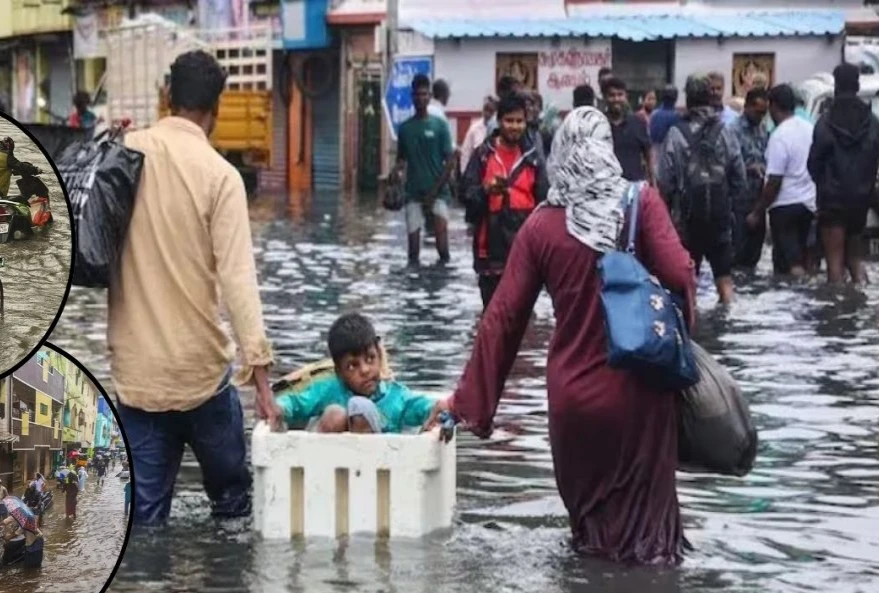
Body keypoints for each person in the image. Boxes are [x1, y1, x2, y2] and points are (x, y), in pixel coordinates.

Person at [426, 107, 697, 565]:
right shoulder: (641, 202)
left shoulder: (540, 226)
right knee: (650, 546)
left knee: (589, 538)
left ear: (561, 155)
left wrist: (469, 404)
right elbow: (680, 274)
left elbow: (503, 319)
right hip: (640, 397)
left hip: (574, 404)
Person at [111, 50, 277, 526]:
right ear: (217, 109)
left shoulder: (123, 156)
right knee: (234, 508)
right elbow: (239, 284)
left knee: (142, 522)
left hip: (137, 376)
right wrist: (262, 384)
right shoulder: (221, 177)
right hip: (201, 375)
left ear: (166, 96)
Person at [271, 313, 436, 434]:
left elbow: (425, 407)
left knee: (361, 408)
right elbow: (295, 402)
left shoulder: (396, 397)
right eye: (352, 366)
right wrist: (280, 407)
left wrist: (441, 410)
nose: (364, 370)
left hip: (380, 473)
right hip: (327, 472)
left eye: (370, 359)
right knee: (335, 414)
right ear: (339, 372)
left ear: (379, 354)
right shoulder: (329, 388)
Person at [658, 75, 744, 304]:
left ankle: (692, 328)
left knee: (689, 280)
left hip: (688, 218)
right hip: (719, 215)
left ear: (688, 99)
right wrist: (732, 207)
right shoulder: (726, 130)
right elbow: (739, 175)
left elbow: (665, 180)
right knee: (725, 280)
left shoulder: (676, 133)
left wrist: (667, 216)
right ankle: (728, 322)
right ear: (709, 97)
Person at [461, 93, 550, 308]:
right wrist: (485, 190)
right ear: (499, 122)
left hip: (524, 251)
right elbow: (465, 196)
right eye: (509, 121)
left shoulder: (533, 159)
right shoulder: (482, 155)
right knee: (492, 316)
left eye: (519, 121)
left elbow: (545, 204)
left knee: (519, 318)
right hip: (490, 251)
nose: (514, 126)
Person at [808, 62, 879, 285]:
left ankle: (837, 313)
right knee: (855, 260)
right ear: (858, 85)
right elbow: (875, 159)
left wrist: (824, 185)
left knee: (834, 264)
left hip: (832, 201)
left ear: (836, 86)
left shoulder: (825, 122)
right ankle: (862, 305)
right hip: (860, 200)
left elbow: (813, 163)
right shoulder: (873, 124)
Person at [747, 84, 817, 277]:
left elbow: (774, 181)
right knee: (805, 260)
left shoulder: (779, 136)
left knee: (791, 264)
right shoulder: (809, 129)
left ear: (773, 106)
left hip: (785, 208)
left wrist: (757, 212)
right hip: (809, 205)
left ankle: (791, 299)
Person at [393, 73, 455, 264]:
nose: (420, 98)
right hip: (413, 194)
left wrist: (434, 192)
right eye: (417, 95)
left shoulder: (440, 126)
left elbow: (450, 162)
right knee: (412, 252)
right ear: (412, 97)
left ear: (430, 97)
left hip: (439, 194)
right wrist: (394, 176)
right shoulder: (404, 129)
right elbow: (401, 160)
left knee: (443, 249)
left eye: (424, 94)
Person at [728, 87, 770, 271]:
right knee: (737, 253)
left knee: (754, 254)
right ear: (747, 107)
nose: (760, 117)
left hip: (759, 198)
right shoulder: (733, 130)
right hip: (738, 199)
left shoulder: (762, 130)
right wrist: (748, 169)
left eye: (764, 113)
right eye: (758, 112)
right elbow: (727, 165)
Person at [602, 77, 654, 185]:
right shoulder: (599, 125)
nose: (616, 99)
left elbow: (648, 156)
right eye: (612, 95)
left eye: (620, 95)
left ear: (626, 97)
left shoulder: (638, 123)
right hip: (606, 190)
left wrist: (653, 185)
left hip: (633, 190)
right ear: (605, 98)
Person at [460, 96, 497, 173]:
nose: (488, 114)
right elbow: (466, 152)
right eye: (486, 110)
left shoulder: (499, 129)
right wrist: (464, 172)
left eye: (491, 111)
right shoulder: (474, 128)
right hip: (476, 171)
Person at [648, 85, 681, 166]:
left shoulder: (654, 114)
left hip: (654, 155)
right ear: (675, 99)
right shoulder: (677, 116)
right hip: (669, 157)